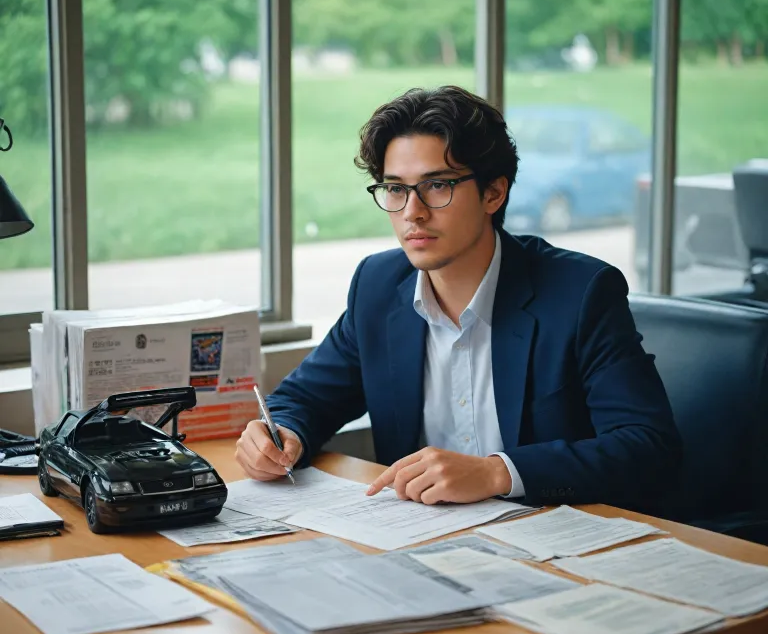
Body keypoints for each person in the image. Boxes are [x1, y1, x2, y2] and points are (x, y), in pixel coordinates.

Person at [234, 85, 682, 514]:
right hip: (425, 542)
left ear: (493, 193)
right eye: (395, 189)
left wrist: (496, 474)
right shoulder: (377, 285)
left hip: (559, 542)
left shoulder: (580, 292)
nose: (413, 212)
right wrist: (279, 434)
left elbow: (647, 446)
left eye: (437, 185)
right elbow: (306, 399)